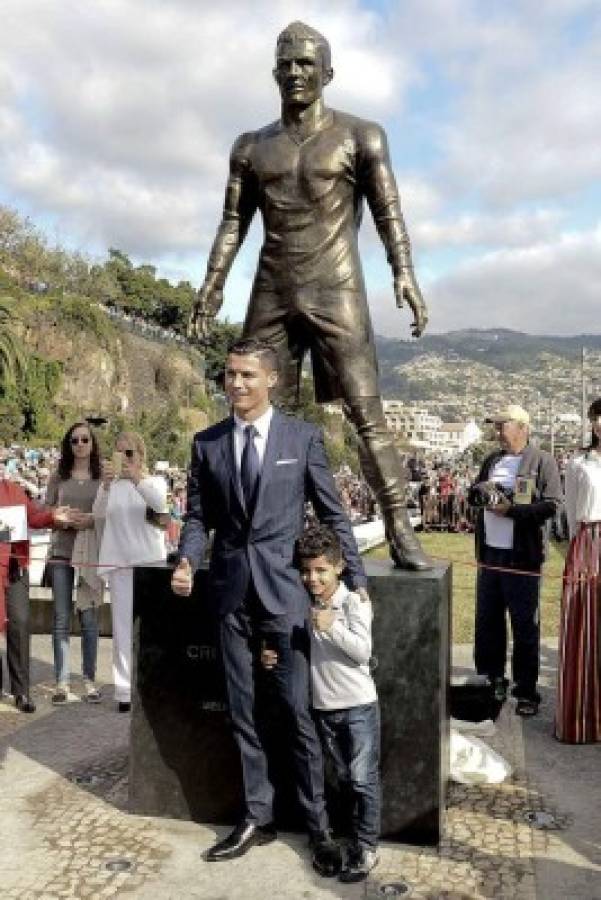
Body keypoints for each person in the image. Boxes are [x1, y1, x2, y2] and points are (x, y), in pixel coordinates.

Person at [188, 21, 432, 572]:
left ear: (327, 71)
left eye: (305, 62)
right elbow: (233, 222)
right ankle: (250, 529)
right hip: (272, 287)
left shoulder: (361, 135)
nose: (295, 72)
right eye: (286, 62)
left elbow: (389, 211)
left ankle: (399, 527)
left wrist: (405, 272)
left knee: (367, 415)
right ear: (274, 70)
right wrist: (212, 283)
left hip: (337, 285)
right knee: (256, 415)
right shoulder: (250, 146)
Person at [171, 338, 367, 877]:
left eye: (246, 376)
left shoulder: (302, 438)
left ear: (272, 380)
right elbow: (196, 516)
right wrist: (187, 560)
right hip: (231, 593)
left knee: (299, 717)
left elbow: (332, 512)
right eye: (230, 375)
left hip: (286, 597)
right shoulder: (207, 442)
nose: (235, 384)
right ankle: (257, 816)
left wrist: (355, 578)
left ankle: (319, 827)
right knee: (242, 713)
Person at [262, 525, 380, 883]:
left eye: (321, 571)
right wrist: (271, 654)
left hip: (359, 706)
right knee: (343, 778)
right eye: (306, 571)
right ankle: (348, 840)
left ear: (339, 567)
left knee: (363, 780)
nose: (312, 579)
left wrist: (332, 627)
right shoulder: (306, 604)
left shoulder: (353, 601)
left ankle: (368, 846)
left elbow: (363, 651)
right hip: (325, 709)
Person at [470, 404, 562, 717]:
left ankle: (526, 691)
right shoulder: (491, 460)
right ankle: (492, 681)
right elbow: (476, 494)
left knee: (524, 626)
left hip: (522, 556)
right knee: (488, 624)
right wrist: (481, 493)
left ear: (522, 426)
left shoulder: (542, 460)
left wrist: (511, 511)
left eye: (501, 425)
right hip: (490, 554)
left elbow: (552, 505)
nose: (496, 432)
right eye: (495, 426)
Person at [93, 431, 168, 712]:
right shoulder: (111, 486)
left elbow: (160, 505)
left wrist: (136, 476)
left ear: (140, 454)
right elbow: (99, 514)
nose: (124, 458)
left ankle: (152, 684)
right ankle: (124, 690)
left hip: (150, 563)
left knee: (151, 629)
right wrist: (103, 485)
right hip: (120, 564)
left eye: (129, 453)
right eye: (119, 452)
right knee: (122, 629)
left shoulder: (153, 481)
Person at [1, 460, 72, 712]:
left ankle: (21, 692)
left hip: (15, 569)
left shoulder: (14, 491)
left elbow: (34, 516)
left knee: (20, 625)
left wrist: (53, 516)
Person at [45, 422, 103, 705]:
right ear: (68, 445)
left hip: (90, 554)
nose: (80, 444)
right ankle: (62, 681)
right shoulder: (58, 476)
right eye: (74, 440)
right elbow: (45, 510)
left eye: (85, 440)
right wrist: (59, 516)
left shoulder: (102, 477)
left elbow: (108, 513)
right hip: (61, 550)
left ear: (93, 444)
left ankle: (89, 680)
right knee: (60, 618)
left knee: (90, 619)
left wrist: (91, 520)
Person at [555, 398, 601, 743]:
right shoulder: (579, 463)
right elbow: (571, 513)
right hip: (588, 542)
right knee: (583, 626)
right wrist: (580, 549)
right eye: (597, 418)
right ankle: (583, 719)